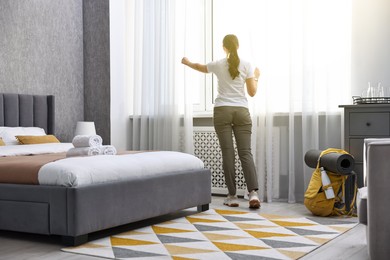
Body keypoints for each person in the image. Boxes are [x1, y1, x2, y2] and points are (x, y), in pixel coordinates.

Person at [182, 34, 261, 209]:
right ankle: (253, 194)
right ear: (238, 46)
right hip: (241, 111)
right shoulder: (247, 65)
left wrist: (187, 62)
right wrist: (256, 76)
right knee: (245, 153)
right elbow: (252, 92)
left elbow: (199, 67)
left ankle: (232, 196)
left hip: (222, 111)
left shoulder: (218, 64)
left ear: (224, 47)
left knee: (227, 153)